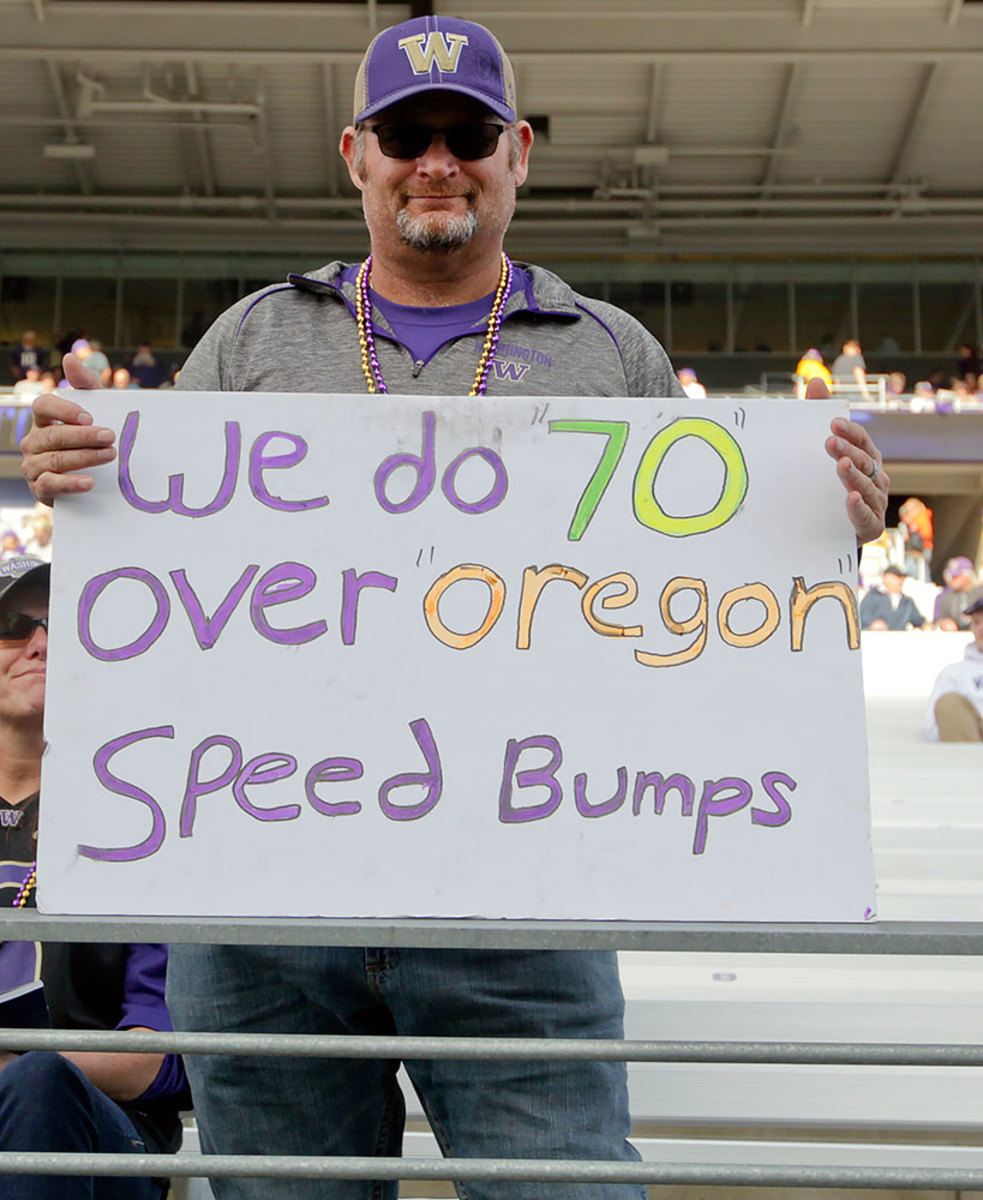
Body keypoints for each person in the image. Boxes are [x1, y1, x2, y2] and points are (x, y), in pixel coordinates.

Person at [19, 15, 889, 1199]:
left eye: (467, 132)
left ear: (516, 151)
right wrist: (78, 472)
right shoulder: (252, 339)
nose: (437, 158)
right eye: (404, 133)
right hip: (265, 909)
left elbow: (697, 607)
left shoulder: (610, 354)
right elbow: (163, 579)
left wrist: (819, 517)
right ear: (354, 154)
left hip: (520, 915)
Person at [0, 557, 190, 1199]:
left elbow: (164, 1061)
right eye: (11, 624)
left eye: (66, 624)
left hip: (104, 1135)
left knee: (41, 1084)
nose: (42, 642)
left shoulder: (152, 818)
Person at [926, 596, 983, 741]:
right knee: (948, 703)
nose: (981, 627)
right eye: (976, 622)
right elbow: (933, 727)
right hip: (971, 746)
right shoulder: (953, 674)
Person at [859, 564, 927, 630]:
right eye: (898, 577)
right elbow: (861, 617)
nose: (901, 581)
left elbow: (918, 620)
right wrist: (872, 624)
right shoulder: (873, 597)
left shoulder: (907, 602)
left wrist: (926, 625)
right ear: (887, 578)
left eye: (902, 579)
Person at [934, 557, 983, 631]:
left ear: (967, 576)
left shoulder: (980, 593)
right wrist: (943, 623)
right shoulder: (945, 597)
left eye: (956, 576)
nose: (952, 579)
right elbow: (938, 619)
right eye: (951, 576)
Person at [831, 338, 871, 402]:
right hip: (855, 394)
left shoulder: (838, 361)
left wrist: (838, 395)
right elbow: (859, 374)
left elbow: (836, 381)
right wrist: (866, 395)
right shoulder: (857, 358)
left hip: (841, 395)